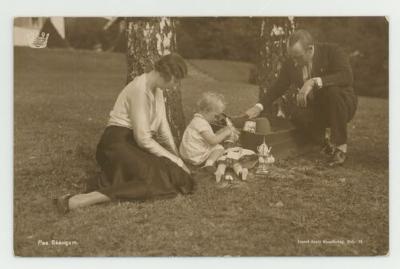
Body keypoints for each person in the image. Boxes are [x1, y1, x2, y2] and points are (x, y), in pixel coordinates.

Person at [54, 53, 195, 214]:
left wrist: (177, 159)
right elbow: (143, 139)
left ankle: (103, 185)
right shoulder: (139, 89)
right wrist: (176, 160)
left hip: (132, 144)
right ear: (165, 75)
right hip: (116, 144)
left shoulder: (157, 90)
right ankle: (79, 200)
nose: (175, 85)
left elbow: (163, 130)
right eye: (175, 81)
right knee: (153, 180)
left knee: (172, 173)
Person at [245, 29, 358, 166]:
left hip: (342, 105)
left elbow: (346, 76)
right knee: (296, 114)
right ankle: (322, 143)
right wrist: (258, 106)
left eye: (298, 57)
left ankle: (340, 148)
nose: (295, 62)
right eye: (292, 57)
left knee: (333, 92)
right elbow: (278, 87)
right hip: (317, 106)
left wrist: (314, 81)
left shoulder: (333, 51)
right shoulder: (291, 63)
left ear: (310, 49)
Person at [179, 92, 237, 170]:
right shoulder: (202, 124)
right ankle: (208, 165)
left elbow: (208, 137)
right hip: (195, 156)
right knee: (219, 148)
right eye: (216, 116)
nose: (216, 119)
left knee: (215, 146)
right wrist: (226, 133)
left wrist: (221, 132)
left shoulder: (196, 120)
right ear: (206, 111)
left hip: (186, 155)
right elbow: (212, 141)